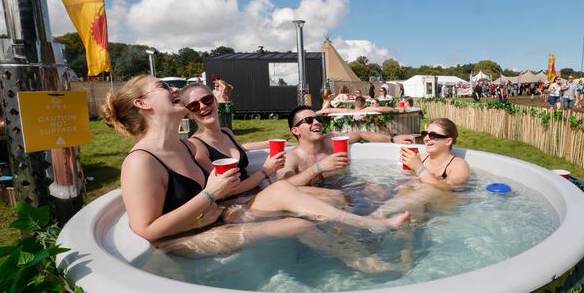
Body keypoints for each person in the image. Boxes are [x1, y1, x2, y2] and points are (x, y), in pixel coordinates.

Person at [101, 76, 411, 252]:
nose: (173, 90)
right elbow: (146, 230)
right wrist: (210, 194)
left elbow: (230, 166)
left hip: (218, 216)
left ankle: (366, 236)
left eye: (206, 99)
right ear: (142, 104)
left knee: (300, 202)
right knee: (301, 219)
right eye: (162, 87)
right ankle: (367, 237)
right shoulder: (141, 163)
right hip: (183, 241)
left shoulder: (180, 146)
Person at [278, 106, 417, 186]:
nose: (316, 122)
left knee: (379, 188)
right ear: (295, 130)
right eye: (308, 120)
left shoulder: (331, 141)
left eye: (318, 119)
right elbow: (281, 186)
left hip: (345, 187)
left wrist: (393, 138)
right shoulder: (292, 158)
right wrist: (318, 168)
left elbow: (362, 135)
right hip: (316, 199)